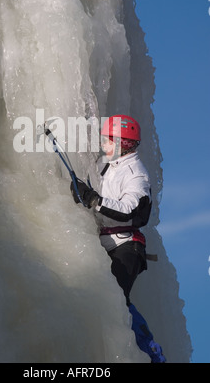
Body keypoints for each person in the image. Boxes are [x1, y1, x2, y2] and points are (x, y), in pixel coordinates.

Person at [70, 114, 166, 363]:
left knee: (114, 303)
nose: (104, 144)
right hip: (109, 244)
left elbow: (133, 211)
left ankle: (152, 353)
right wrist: (81, 190)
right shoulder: (111, 165)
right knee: (110, 300)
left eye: (109, 140)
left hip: (127, 248)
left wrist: (95, 200)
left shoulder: (136, 174)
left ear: (123, 142)